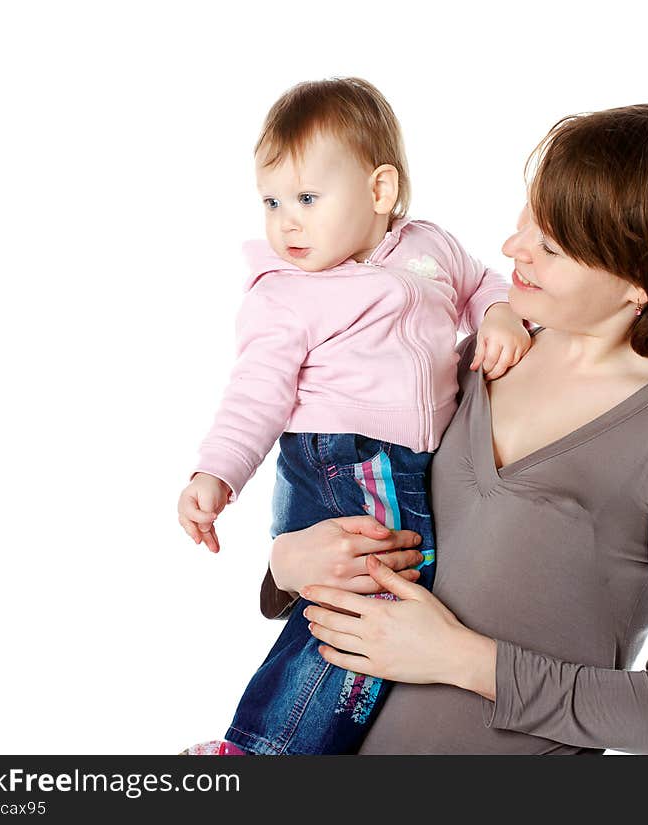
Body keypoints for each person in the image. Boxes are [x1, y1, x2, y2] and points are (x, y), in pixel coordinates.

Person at [232, 103, 648, 755]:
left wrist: (460, 658)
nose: (514, 249)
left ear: (638, 284)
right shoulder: (476, 358)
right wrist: (287, 563)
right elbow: (365, 509)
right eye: (527, 221)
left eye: (552, 246)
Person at [177, 77, 531, 755]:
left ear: (380, 192)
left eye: (308, 198)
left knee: (352, 607)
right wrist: (216, 472)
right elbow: (255, 391)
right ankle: (263, 750)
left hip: (399, 460)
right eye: (272, 201)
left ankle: (262, 739)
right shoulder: (285, 295)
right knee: (376, 605)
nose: (286, 221)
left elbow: (484, 283)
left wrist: (499, 313)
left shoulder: (430, 247)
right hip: (346, 454)